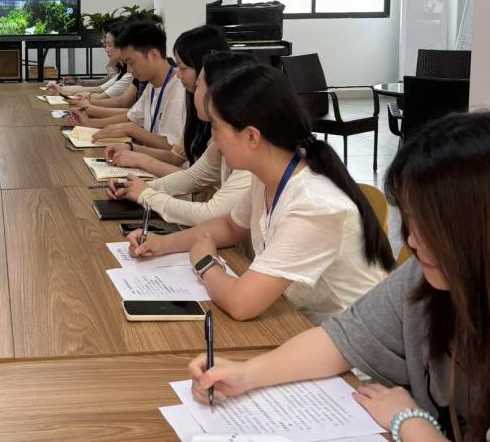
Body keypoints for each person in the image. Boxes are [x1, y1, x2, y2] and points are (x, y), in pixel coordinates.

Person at [187, 112, 490, 442]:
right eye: (411, 221)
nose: (412, 242)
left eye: (432, 227)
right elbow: (342, 339)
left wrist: (409, 421)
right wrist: (247, 374)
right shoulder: (426, 279)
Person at [129, 63, 393, 323]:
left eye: (217, 128)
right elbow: (231, 226)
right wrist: (163, 243)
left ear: (252, 137)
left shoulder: (313, 204)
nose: (214, 138)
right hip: (302, 323)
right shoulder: (268, 175)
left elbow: (241, 303)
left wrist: (206, 263)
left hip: (349, 345)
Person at [106, 51, 256, 226]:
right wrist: (133, 187)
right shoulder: (224, 134)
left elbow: (210, 214)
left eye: (198, 85)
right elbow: (192, 177)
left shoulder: (248, 151)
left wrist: (147, 194)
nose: (178, 75)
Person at [102, 25, 229, 178]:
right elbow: (177, 157)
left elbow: (194, 180)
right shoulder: (195, 105)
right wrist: (131, 149)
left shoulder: (225, 128)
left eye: (183, 68)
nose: (178, 75)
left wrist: (139, 157)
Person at [70, 20, 186, 150]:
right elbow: (131, 117)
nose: (129, 70)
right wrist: (90, 123)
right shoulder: (152, 85)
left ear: (153, 55)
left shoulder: (179, 90)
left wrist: (131, 130)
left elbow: (172, 148)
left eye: (131, 62)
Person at [47, 18, 135, 107]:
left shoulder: (129, 75)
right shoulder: (122, 72)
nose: (103, 42)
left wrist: (85, 98)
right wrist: (65, 88)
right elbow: (101, 87)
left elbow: (116, 101)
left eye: (108, 43)